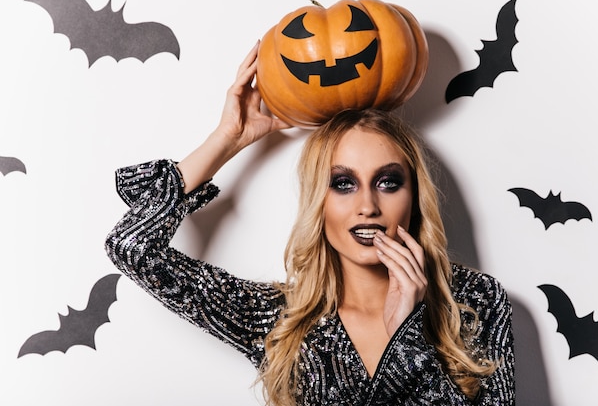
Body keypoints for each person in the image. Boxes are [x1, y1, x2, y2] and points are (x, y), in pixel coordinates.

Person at [105, 42, 514, 405]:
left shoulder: (473, 303)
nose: (368, 205)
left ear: (414, 198)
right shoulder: (280, 320)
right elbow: (132, 247)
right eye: (343, 184)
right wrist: (228, 137)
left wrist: (406, 334)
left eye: (388, 182)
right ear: (318, 202)